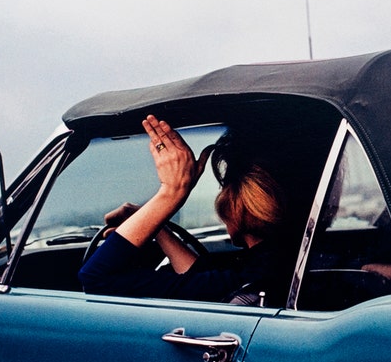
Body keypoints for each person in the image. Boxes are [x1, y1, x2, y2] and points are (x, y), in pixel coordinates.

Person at [79, 115, 297, 305]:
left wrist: (172, 192)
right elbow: (201, 277)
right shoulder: (279, 263)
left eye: (224, 187)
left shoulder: (252, 281)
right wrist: (155, 225)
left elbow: (97, 278)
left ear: (237, 201)